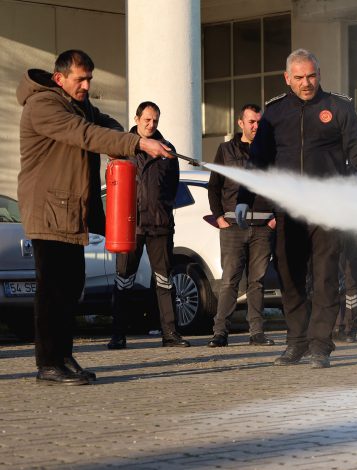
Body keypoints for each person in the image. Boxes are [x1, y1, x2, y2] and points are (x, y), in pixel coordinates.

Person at [236, 49, 357, 368]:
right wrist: (244, 198)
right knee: (290, 276)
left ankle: (320, 346)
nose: (306, 83)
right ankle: (296, 342)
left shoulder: (338, 108)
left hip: (328, 209)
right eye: (298, 78)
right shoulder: (274, 113)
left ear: (319, 74)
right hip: (289, 211)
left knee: (326, 277)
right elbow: (257, 161)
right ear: (287, 78)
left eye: (311, 76)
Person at [16, 50, 173, 385]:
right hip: (47, 209)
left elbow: (107, 125)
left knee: (72, 287)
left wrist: (130, 139)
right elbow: (85, 134)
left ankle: (63, 356)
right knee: (53, 289)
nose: (87, 85)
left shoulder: (78, 104)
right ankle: (47, 363)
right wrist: (138, 144)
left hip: (71, 210)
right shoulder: (43, 105)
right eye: (80, 79)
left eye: (89, 78)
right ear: (60, 78)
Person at [107, 102, 189, 350]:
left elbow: (172, 186)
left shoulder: (168, 150)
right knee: (124, 281)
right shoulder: (124, 145)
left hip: (160, 225)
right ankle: (118, 335)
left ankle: (170, 334)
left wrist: (163, 211)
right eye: (147, 120)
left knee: (165, 281)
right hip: (130, 226)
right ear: (137, 118)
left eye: (155, 121)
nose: (151, 125)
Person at [206, 104, 276, 348]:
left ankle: (256, 332)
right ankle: (220, 333)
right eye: (251, 122)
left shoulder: (270, 152)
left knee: (257, 281)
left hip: (263, 227)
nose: (255, 126)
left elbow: (280, 185)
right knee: (230, 280)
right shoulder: (226, 150)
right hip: (233, 226)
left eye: (259, 122)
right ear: (240, 123)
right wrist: (219, 217)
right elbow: (214, 186)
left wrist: (274, 217)